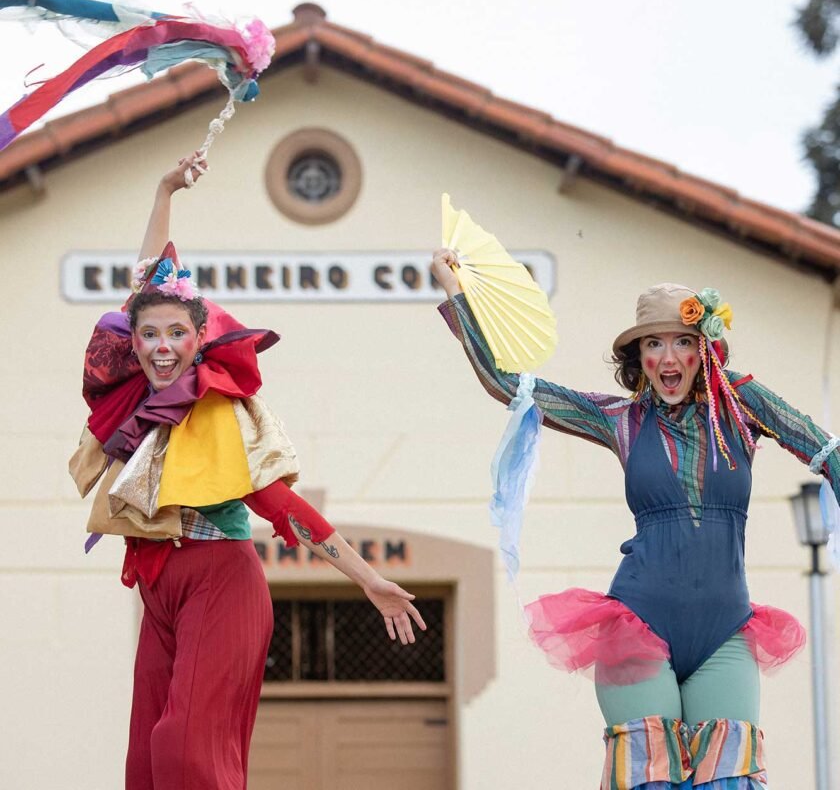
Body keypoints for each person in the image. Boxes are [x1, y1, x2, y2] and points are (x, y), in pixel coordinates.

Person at [69, 157, 426, 790]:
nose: (159, 345)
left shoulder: (218, 411)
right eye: (148, 333)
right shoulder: (134, 399)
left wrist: (370, 579)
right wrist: (162, 189)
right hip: (159, 587)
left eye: (176, 332)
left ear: (199, 336)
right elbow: (146, 280)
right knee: (146, 768)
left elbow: (280, 504)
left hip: (221, 582)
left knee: (185, 750)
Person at [431, 249, 838, 790]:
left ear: (704, 349)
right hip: (639, 626)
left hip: (725, 630)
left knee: (732, 780)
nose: (668, 358)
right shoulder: (619, 419)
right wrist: (457, 294)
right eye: (653, 343)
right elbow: (511, 386)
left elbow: (826, 451)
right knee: (653, 780)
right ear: (639, 357)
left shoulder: (739, 405)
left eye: (682, 341)